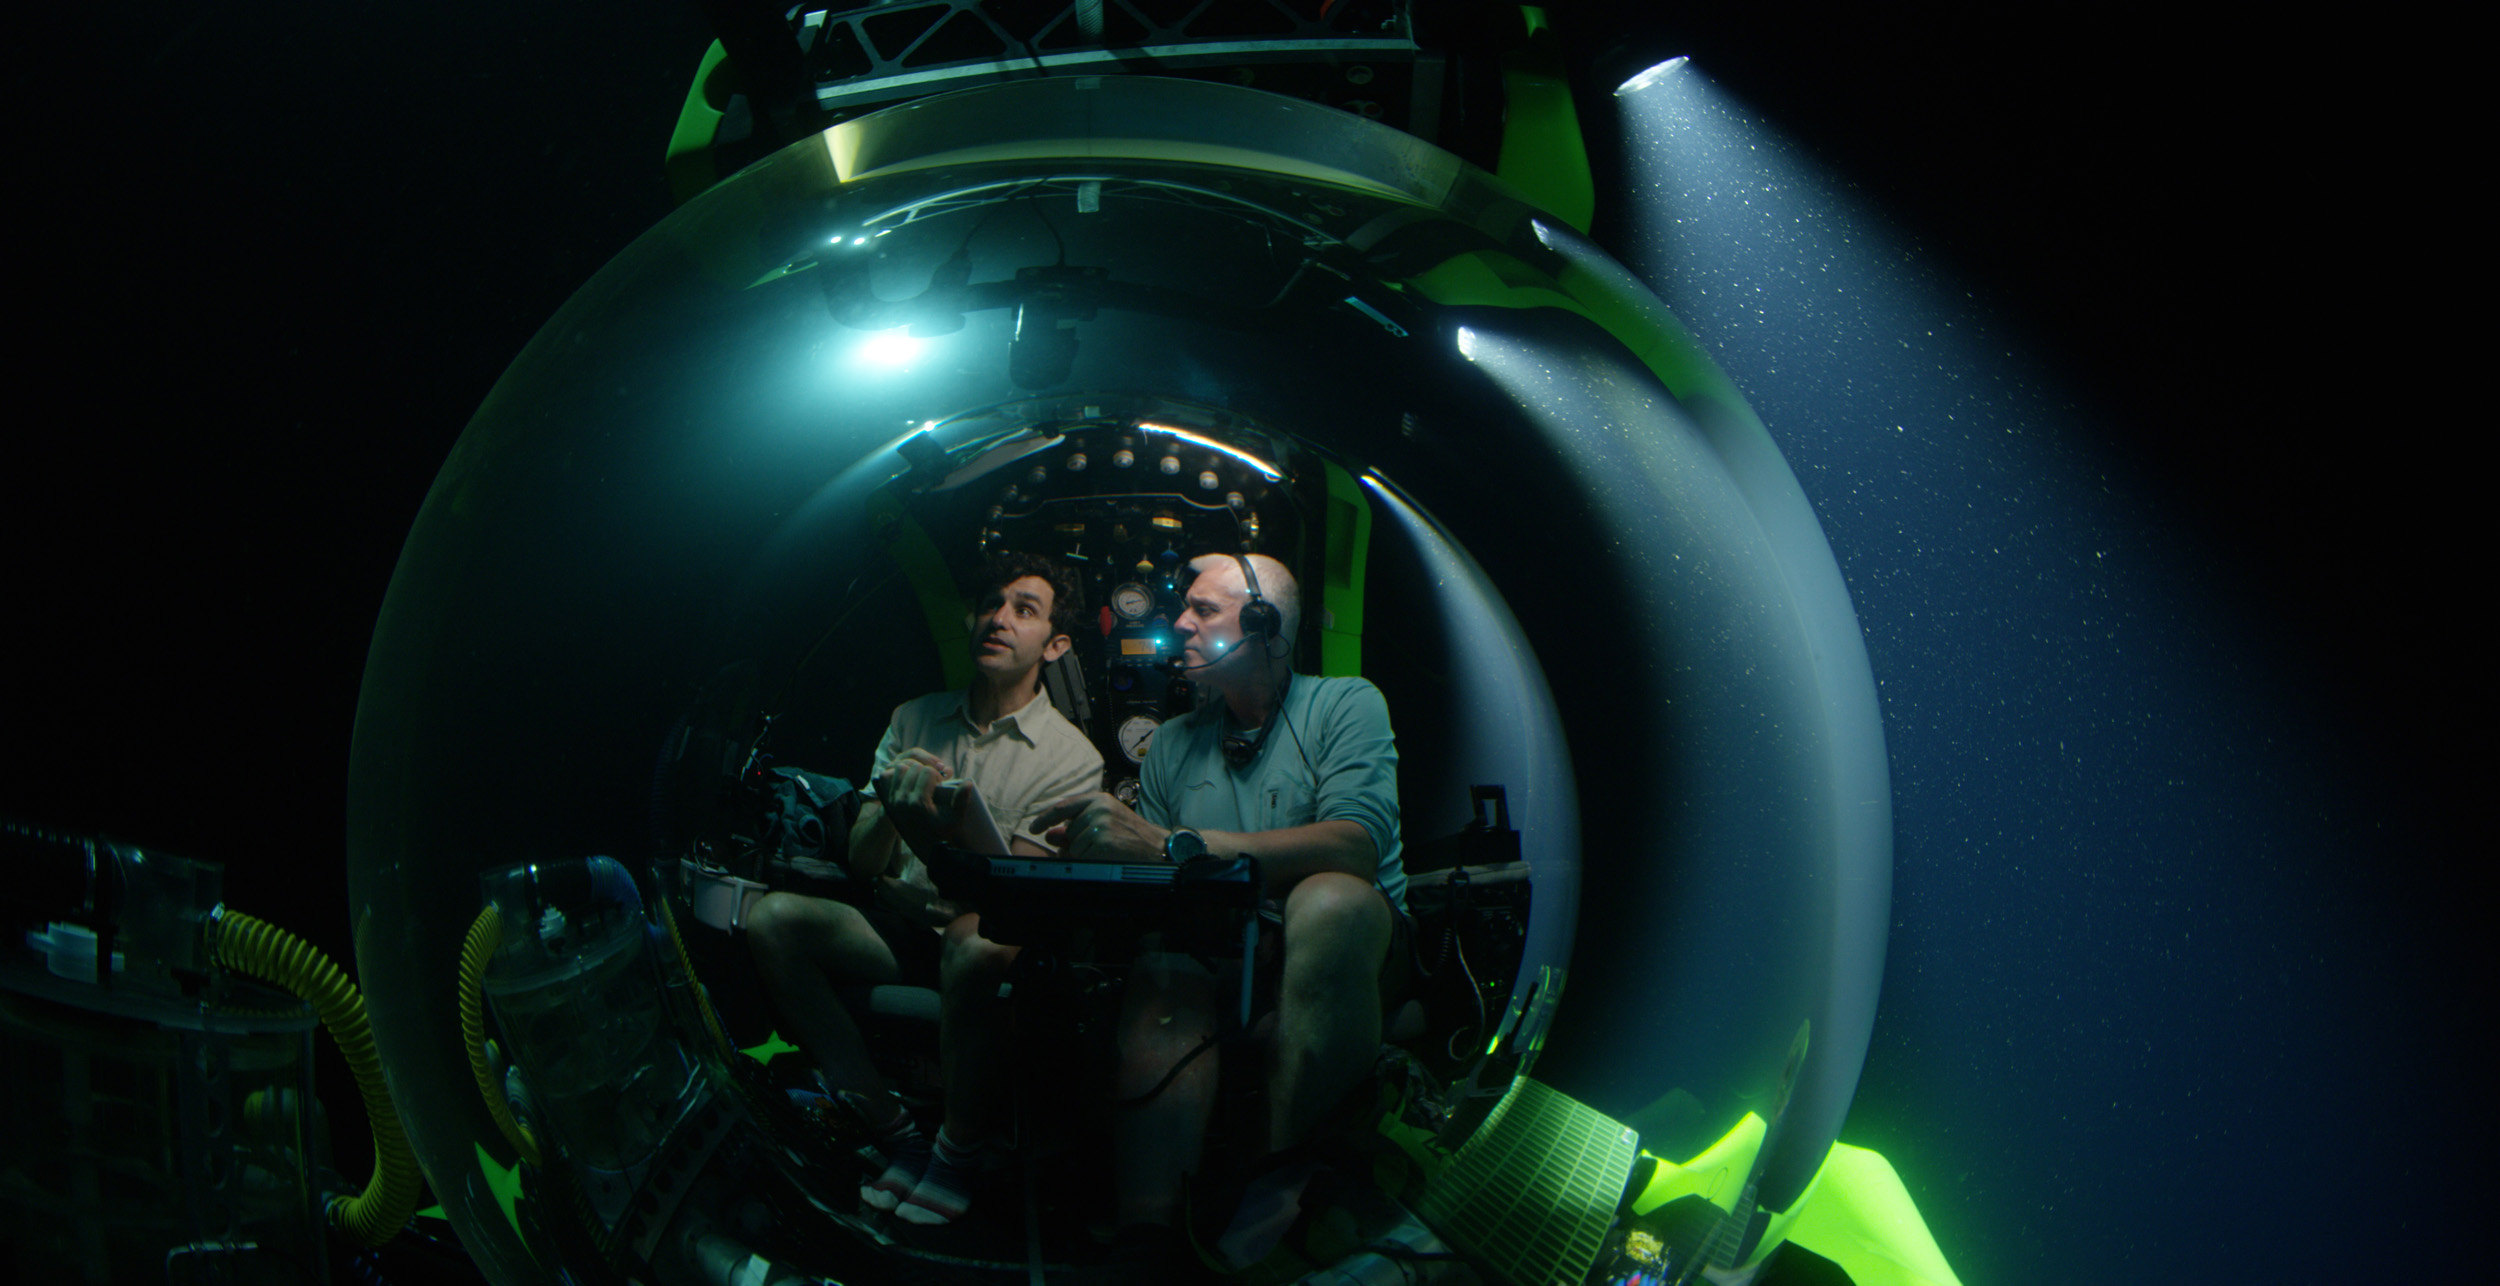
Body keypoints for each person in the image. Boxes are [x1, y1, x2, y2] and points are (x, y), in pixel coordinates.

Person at [1033, 552, 1403, 1248]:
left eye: (1203, 611)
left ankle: (1286, 1201)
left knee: (1330, 901)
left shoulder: (1346, 703)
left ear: (1264, 623)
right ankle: (1147, 1237)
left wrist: (1174, 843)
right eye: (1185, 610)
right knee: (1163, 972)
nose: (1179, 625)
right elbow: (1165, 894)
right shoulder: (1172, 742)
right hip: (1223, 942)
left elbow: (1354, 847)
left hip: (1346, 946)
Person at [745, 552, 1103, 1224]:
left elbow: (1015, 899)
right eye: (991, 603)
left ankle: (956, 1152)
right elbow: (860, 863)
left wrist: (934, 834)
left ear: (1055, 645)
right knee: (773, 921)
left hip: (983, 935)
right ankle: (889, 1129)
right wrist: (889, 810)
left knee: (973, 942)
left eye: (1024, 609)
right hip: (902, 928)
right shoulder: (913, 718)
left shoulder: (1072, 758)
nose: (998, 619)